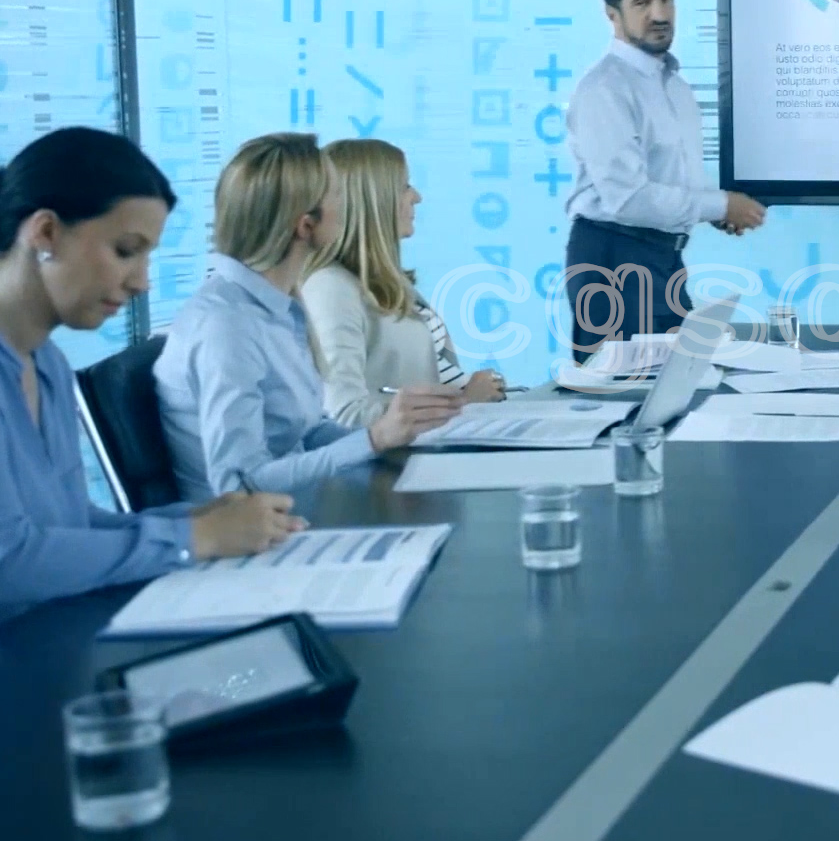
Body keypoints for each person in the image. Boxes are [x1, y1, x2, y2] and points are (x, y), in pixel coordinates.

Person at [0, 127, 302, 620]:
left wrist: (197, 519)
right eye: (125, 250)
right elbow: (9, 561)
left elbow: (67, 529)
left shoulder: (48, 364)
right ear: (46, 233)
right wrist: (191, 538)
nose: (141, 282)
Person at [155, 133, 462, 501]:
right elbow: (241, 486)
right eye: (338, 196)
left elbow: (307, 433)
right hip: (252, 526)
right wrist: (374, 437)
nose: (349, 206)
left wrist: (399, 433)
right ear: (306, 225)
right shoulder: (227, 326)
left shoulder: (279, 306)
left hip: (299, 507)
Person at [563, 0, 766, 355]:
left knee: (679, 377)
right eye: (642, 2)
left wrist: (714, 212)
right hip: (613, 261)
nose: (660, 14)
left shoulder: (674, 85)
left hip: (663, 258)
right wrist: (719, 205)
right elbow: (628, 199)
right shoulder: (604, 91)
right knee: (621, 389)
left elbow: (670, 178)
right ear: (612, 13)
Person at [302, 138, 505, 429]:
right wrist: (464, 403)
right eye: (405, 187)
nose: (417, 197)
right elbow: (342, 416)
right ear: (374, 202)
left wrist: (474, 395)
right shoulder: (330, 289)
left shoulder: (386, 282)